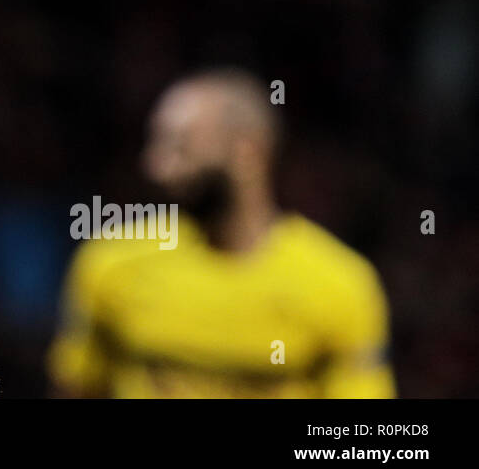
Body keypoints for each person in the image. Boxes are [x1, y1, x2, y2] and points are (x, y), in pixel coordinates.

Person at [48, 68, 395, 397]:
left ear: (247, 151)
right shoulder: (110, 264)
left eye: (180, 147)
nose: (154, 167)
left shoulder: (339, 284)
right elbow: (76, 387)